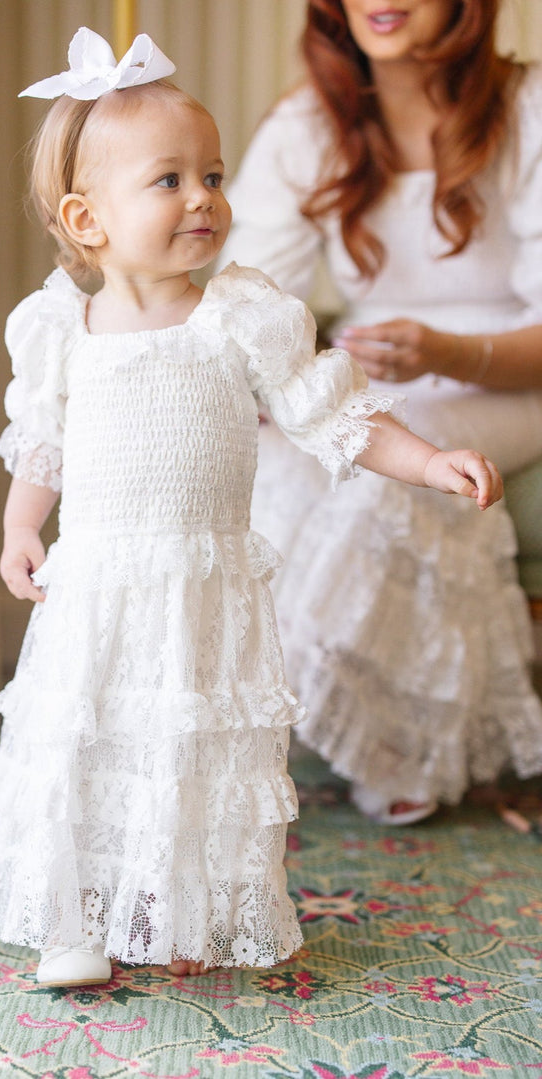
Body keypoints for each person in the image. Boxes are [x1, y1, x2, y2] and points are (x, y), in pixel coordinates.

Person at [0, 26, 503, 989]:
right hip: (100, 591)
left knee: (192, 760)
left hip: (204, 591)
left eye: (215, 175)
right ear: (87, 218)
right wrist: (19, 524)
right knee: (85, 745)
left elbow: (337, 413)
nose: (204, 197)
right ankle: (72, 920)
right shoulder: (58, 331)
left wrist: (429, 458)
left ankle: (182, 906)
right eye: (170, 181)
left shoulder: (240, 315)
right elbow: (43, 445)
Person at [222, 0, 542, 826]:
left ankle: (392, 742)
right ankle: (253, 712)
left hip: (514, 380)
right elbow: (249, 298)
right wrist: (262, 391)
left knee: (393, 474)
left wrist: (449, 353)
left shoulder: (528, 107)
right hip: (372, 372)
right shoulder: (306, 125)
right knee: (292, 461)